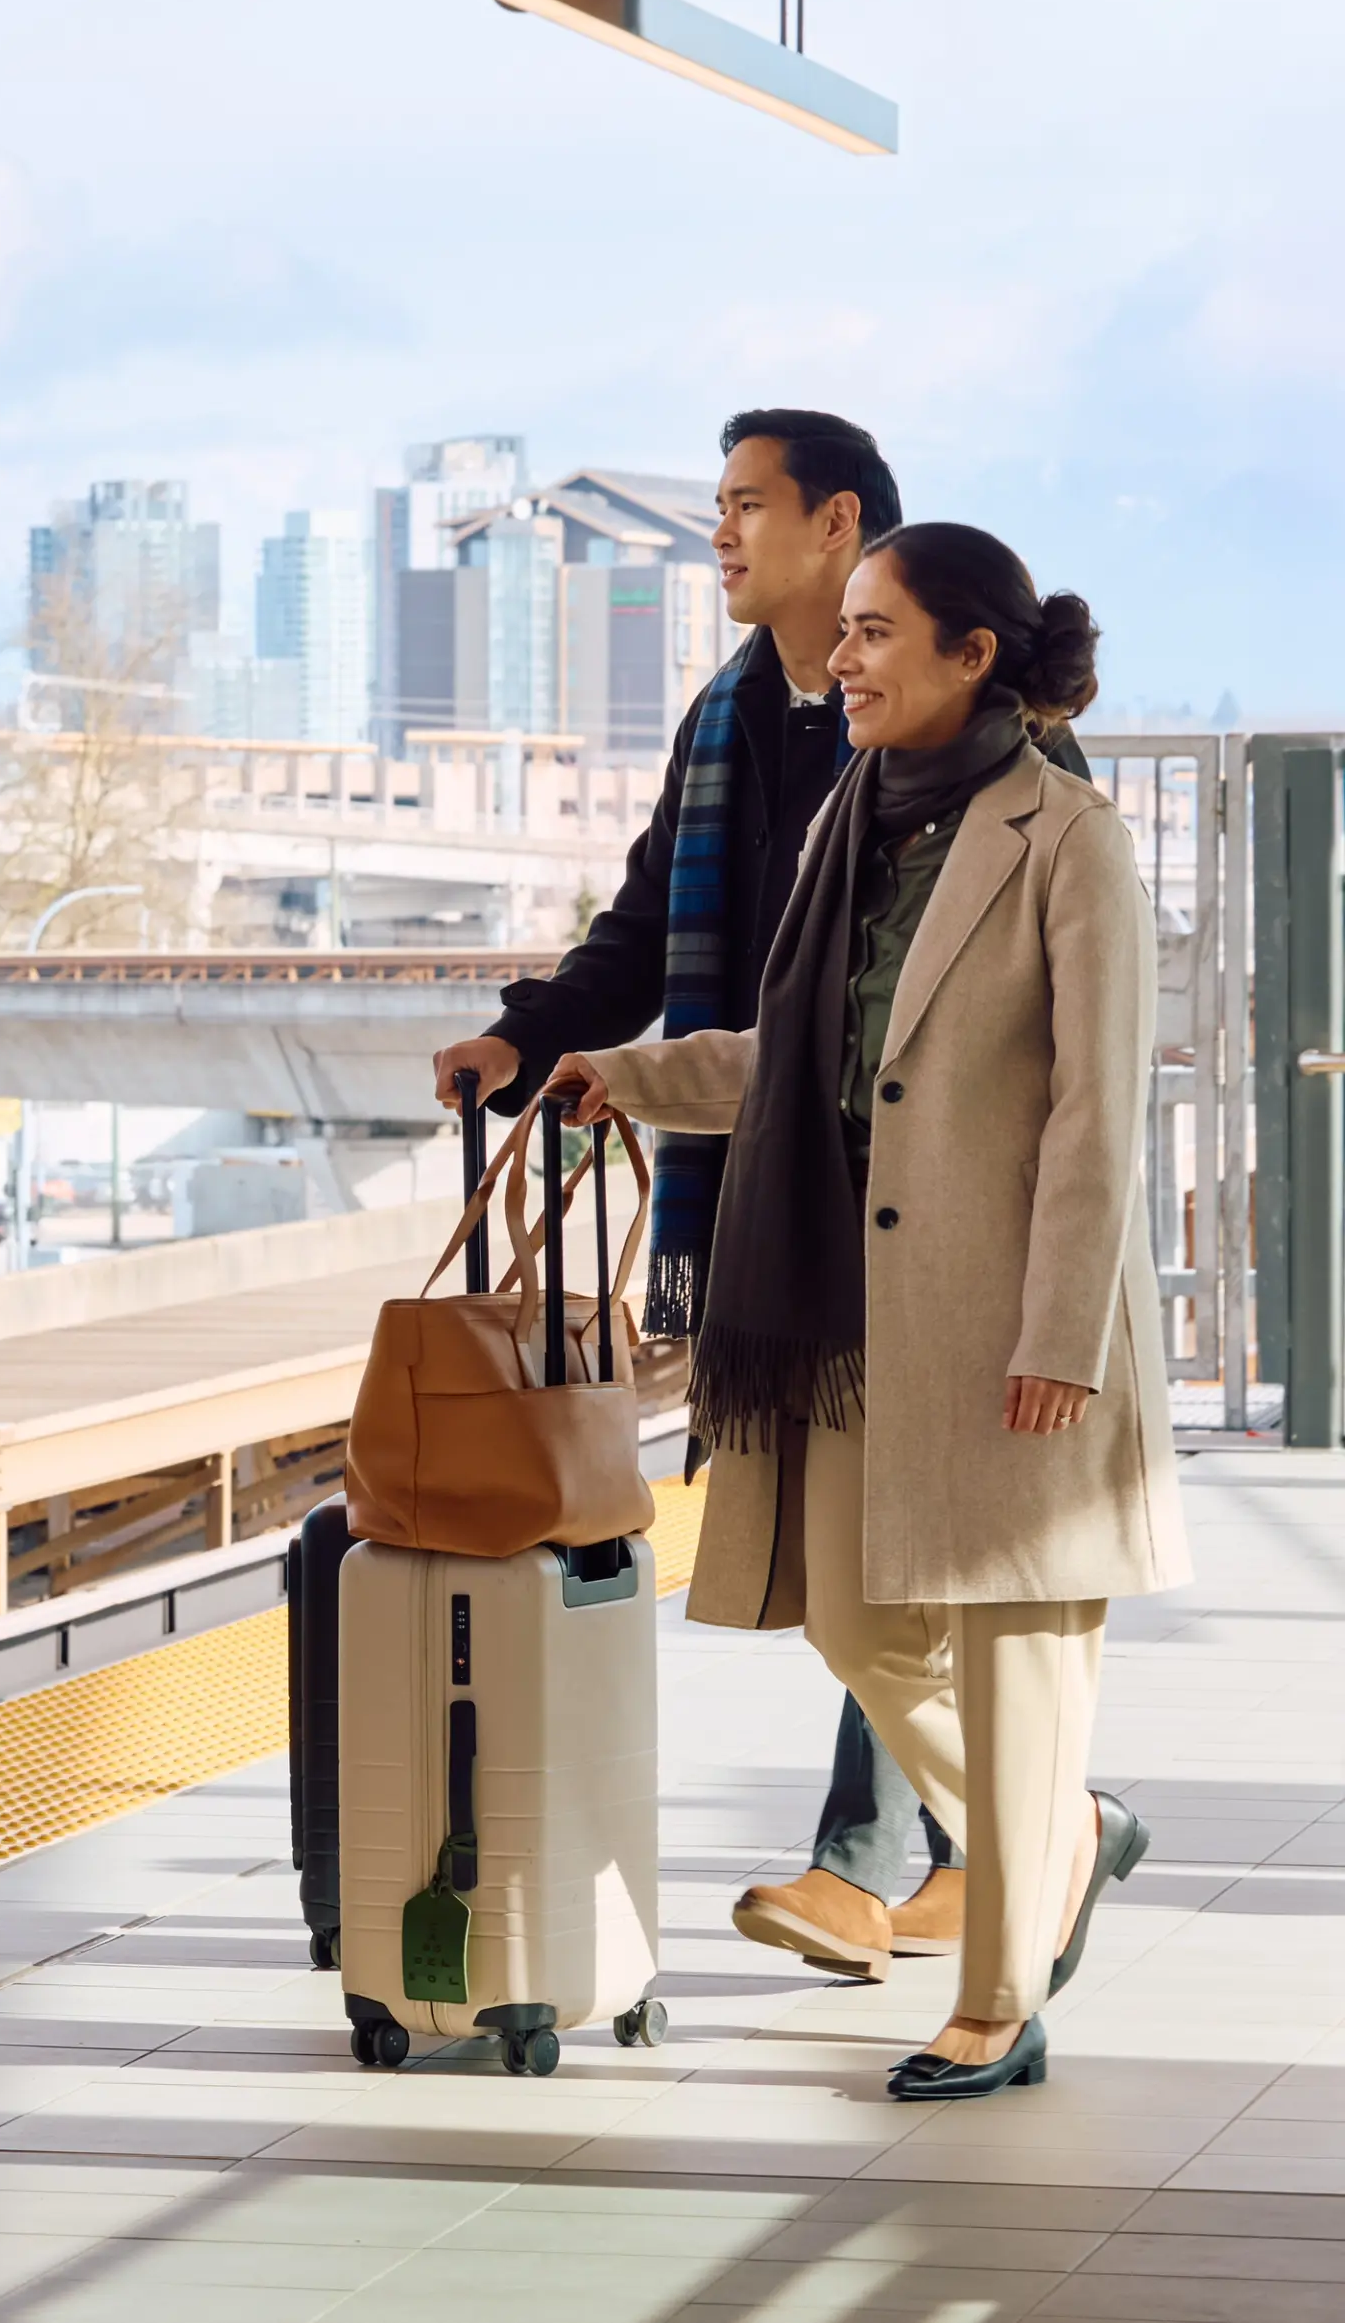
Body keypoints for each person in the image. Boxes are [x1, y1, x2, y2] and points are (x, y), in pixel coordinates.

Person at [552, 523, 1180, 2101]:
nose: (841, 661)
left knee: (1014, 1653)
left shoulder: (1068, 839)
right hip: (846, 1306)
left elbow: (1099, 1116)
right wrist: (624, 1077)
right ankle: (1070, 1833)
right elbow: (799, 1063)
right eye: (843, 634)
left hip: (1009, 1318)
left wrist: (1059, 1339)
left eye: (875, 632)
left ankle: (995, 2001)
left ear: (974, 656)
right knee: (848, 1610)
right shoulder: (855, 825)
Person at [431, 408, 967, 1981]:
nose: (719, 537)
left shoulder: (922, 730)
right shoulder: (733, 714)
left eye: (746, 507)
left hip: (901, 1192)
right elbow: (646, 922)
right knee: (857, 1539)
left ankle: (876, 1860)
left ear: (836, 523)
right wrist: (529, 1032)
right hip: (771, 1180)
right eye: (716, 507)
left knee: (880, 1540)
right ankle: (998, 1833)